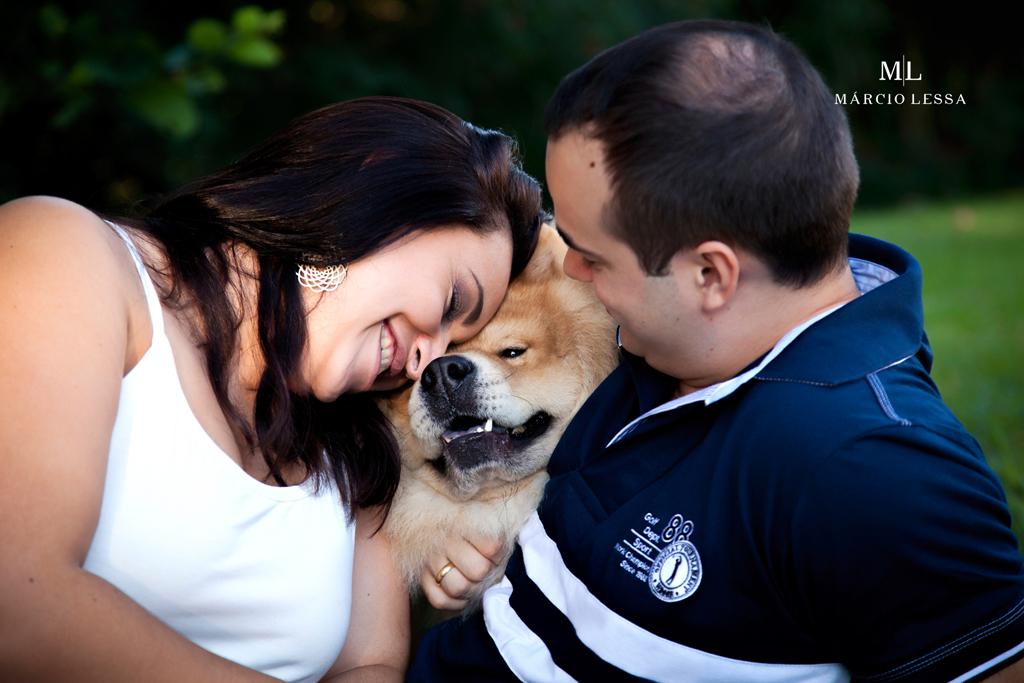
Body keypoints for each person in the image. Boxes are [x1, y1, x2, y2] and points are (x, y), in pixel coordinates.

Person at [408, 20, 1024, 683]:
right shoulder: (673, 340)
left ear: (711, 275)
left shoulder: (876, 472)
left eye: (591, 253)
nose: (572, 271)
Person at [0, 96, 543, 682]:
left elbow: (371, 665)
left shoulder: (360, 447)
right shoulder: (70, 255)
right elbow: (19, 603)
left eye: (454, 342)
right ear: (377, 189)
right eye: (452, 302)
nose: (426, 359)